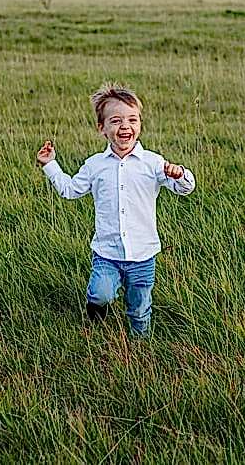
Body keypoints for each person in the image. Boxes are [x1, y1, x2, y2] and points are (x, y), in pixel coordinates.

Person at [36, 84, 195, 336]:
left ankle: (140, 343)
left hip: (143, 255)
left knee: (140, 305)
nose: (125, 126)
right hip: (107, 253)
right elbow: (70, 190)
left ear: (140, 124)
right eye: (116, 120)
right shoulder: (95, 165)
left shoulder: (153, 163)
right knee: (101, 293)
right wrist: (50, 165)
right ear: (102, 128)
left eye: (132, 120)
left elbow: (184, 188)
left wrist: (180, 174)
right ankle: (95, 313)